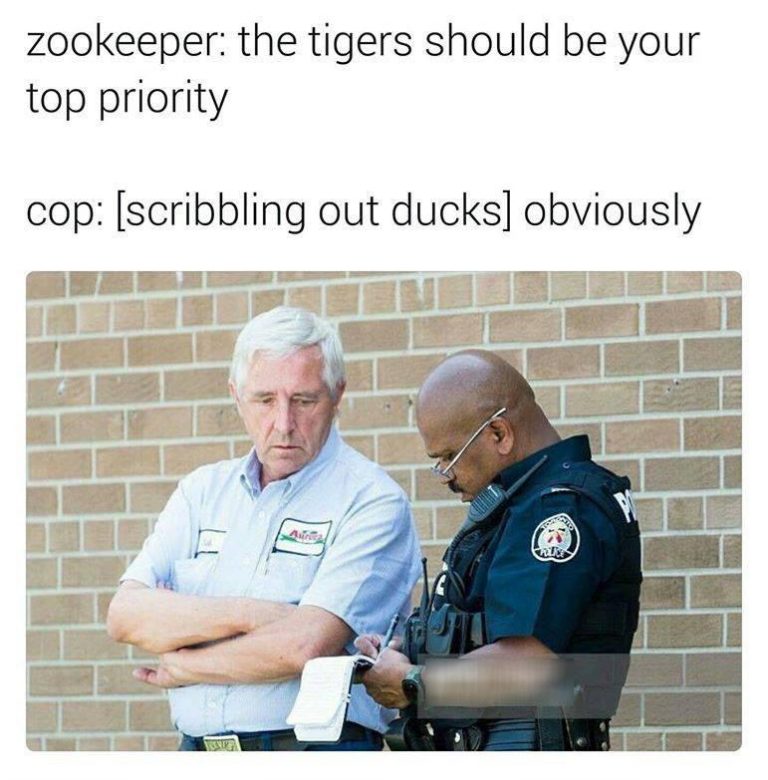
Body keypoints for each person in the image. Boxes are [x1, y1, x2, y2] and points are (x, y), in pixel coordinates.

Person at [106, 306, 421, 751]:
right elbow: (125, 615)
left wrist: (186, 664)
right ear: (236, 396)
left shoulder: (372, 500)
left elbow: (303, 646)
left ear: (337, 395)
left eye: (304, 400)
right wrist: (253, 614)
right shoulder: (201, 492)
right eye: (265, 400)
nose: (284, 423)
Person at [357, 350, 641, 751]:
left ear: (499, 434)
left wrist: (412, 683)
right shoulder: (518, 505)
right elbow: (483, 628)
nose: (445, 475)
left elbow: (527, 662)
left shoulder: (558, 509)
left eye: (448, 457)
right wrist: (407, 649)